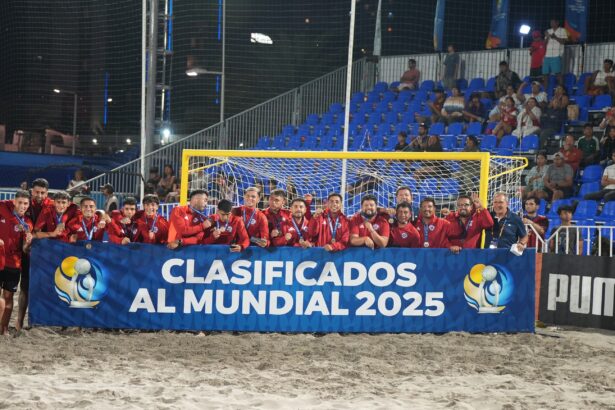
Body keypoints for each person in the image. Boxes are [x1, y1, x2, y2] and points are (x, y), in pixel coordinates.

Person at [0, 190, 33, 335]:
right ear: (14, 202)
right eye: (20, 202)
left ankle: (4, 328)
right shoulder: (3, 207)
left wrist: (28, 243)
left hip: (14, 264)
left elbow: (25, 250)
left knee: (8, 297)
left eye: (26, 203)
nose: (22, 206)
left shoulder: (28, 224)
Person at [543, 19, 568, 88]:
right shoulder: (548, 31)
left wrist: (555, 37)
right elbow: (544, 44)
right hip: (547, 55)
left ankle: (561, 89)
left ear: (557, 23)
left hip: (556, 55)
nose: (551, 23)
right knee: (545, 74)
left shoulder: (562, 30)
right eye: (550, 22)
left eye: (553, 22)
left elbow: (564, 42)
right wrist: (547, 37)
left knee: (558, 74)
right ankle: (545, 92)